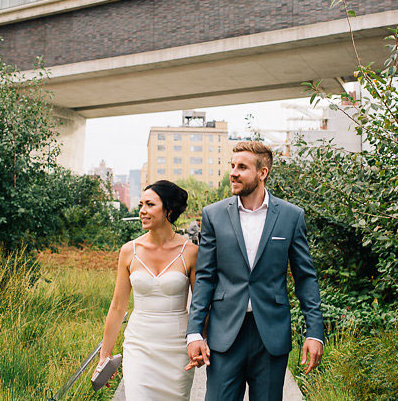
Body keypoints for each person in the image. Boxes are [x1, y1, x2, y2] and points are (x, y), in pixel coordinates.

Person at [186, 141, 324, 400]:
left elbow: (305, 277)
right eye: (232, 166)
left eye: (242, 167)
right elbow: (205, 277)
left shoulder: (291, 216)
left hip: (270, 336)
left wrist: (315, 332)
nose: (233, 173)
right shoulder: (213, 215)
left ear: (262, 173)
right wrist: (194, 332)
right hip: (225, 334)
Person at [98, 180, 198, 400]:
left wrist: (201, 340)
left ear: (168, 210)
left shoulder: (190, 252)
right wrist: (104, 356)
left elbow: (201, 305)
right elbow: (117, 307)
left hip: (177, 348)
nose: (142, 211)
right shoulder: (129, 251)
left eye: (150, 205)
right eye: (141, 204)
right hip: (139, 345)